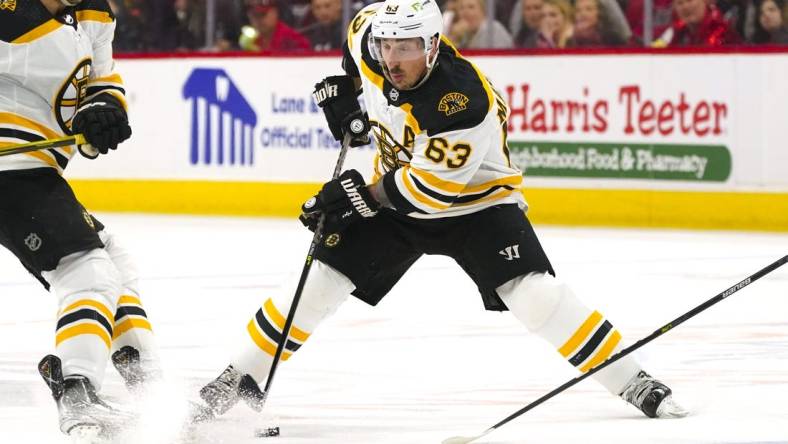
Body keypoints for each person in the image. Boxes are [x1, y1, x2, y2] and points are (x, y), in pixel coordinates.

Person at [195, 0, 688, 425]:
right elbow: (354, 55)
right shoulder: (370, 33)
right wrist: (344, 96)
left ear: (433, 45)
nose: (393, 59)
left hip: (476, 204)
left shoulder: (460, 101)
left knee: (536, 295)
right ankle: (242, 377)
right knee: (317, 282)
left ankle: (632, 380)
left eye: (407, 48)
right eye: (387, 47)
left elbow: (426, 195)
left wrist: (352, 196)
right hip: (397, 192)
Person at [0, 0, 160, 438]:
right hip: (8, 172)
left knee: (114, 263)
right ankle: (77, 391)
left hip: (38, 169)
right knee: (88, 274)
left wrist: (102, 111)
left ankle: (151, 394)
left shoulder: (96, 13)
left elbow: (101, 78)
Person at [657, 0, 742, 46]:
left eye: (690, 1)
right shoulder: (677, 31)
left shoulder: (721, 30)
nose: (685, 7)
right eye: (680, 3)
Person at [240, 0, 311, 52]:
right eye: (255, 16)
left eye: (263, 15)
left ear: (275, 12)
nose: (259, 20)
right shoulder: (250, 41)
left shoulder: (294, 40)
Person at [448, 0, 514, 48]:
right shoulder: (464, 34)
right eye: (461, 8)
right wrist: (454, 38)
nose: (465, 12)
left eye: (471, 7)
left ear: (483, 10)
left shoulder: (493, 30)